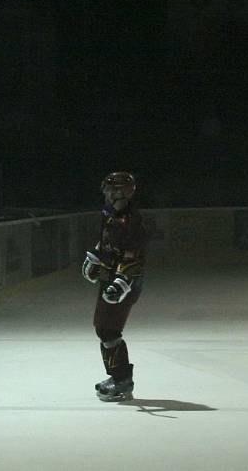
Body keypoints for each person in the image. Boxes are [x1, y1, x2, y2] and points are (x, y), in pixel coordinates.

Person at [82, 172, 147, 402]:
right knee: (103, 327)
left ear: (124, 192)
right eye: (107, 190)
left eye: (112, 191)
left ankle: (121, 380)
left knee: (108, 329)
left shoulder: (131, 220)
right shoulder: (109, 214)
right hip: (109, 278)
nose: (108, 195)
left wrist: (121, 282)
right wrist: (95, 259)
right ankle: (118, 378)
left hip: (124, 282)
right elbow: (107, 243)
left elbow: (133, 255)